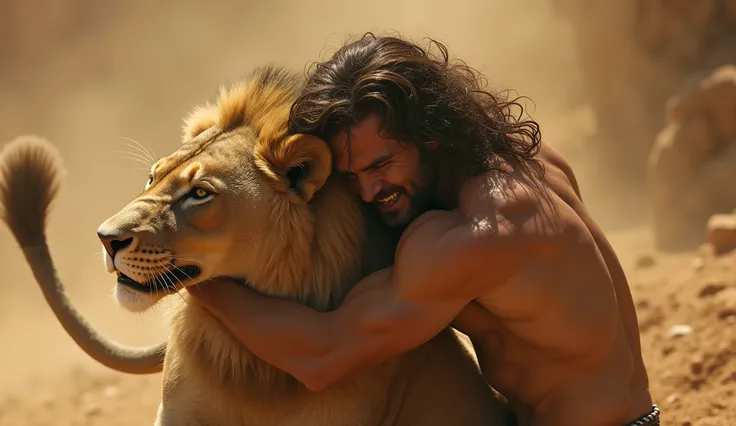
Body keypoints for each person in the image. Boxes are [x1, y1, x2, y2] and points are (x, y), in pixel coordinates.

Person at [187, 33, 657, 425]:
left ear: (429, 133)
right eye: (351, 176)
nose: (368, 191)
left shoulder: (479, 235)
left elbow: (322, 357)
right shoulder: (527, 157)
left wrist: (187, 274)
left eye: (381, 165)